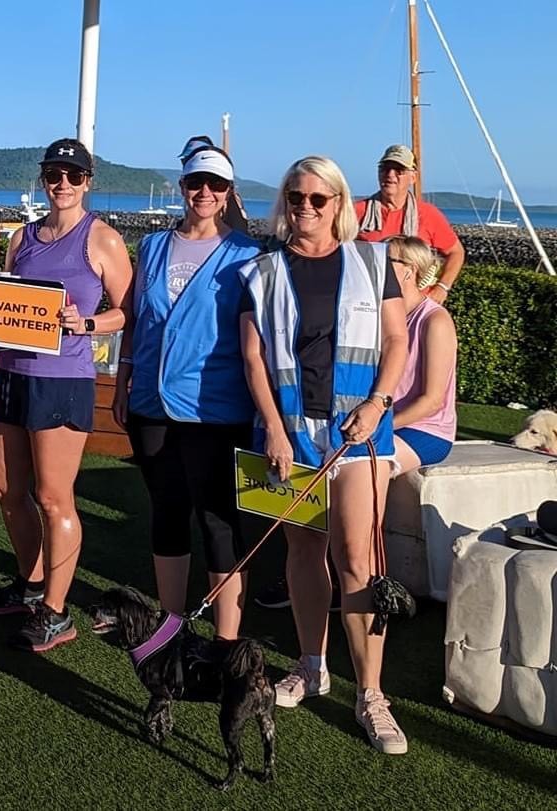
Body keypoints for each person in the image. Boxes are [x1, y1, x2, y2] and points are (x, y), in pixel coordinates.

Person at [239, 155, 409, 754]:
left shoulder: (372, 260)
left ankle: (372, 694)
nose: (304, 207)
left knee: (357, 559)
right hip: (290, 433)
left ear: (340, 203)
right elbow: (255, 359)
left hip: (359, 432)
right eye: (295, 197)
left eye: (318, 198)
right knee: (302, 550)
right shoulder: (260, 271)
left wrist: (380, 402)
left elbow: (395, 339)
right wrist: (274, 430)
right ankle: (312, 665)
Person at [0, 138, 132, 651]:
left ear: (88, 181)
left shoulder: (101, 239)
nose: (62, 183)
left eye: (73, 176)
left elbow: (128, 311)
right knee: (3, 486)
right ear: (43, 179)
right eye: (54, 174)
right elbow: (6, 298)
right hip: (14, 372)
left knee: (53, 495)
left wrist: (85, 323)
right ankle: (31, 582)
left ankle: (57, 611)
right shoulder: (23, 238)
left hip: (64, 379)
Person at [110, 141, 262, 641]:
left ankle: (227, 638)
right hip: (151, 402)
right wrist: (123, 378)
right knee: (167, 509)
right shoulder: (152, 246)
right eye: (196, 182)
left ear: (228, 194)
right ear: (182, 187)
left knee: (218, 520)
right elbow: (135, 319)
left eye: (215, 185)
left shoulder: (247, 254)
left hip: (214, 407)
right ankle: (170, 624)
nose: (204, 192)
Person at [355, 144, 465, 304]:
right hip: (371, 302)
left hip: (415, 304)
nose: (390, 175)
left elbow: (456, 252)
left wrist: (442, 287)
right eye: (385, 169)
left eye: (399, 170)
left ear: (413, 177)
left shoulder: (428, 214)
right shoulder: (356, 212)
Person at [386, 236, 458, 474]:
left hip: (426, 430)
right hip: (384, 422)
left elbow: (433, 400)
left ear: (410, 271)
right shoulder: (381, 315)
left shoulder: (434, 321)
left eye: (386, 261)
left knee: (364, 464)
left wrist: (380, 426)